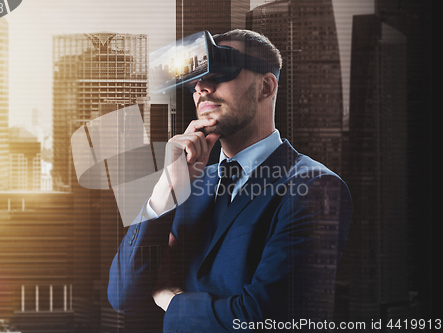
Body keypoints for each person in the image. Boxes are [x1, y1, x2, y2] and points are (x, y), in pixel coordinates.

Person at [108, 29, 352, 332]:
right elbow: (123, 296)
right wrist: (166, 189)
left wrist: (172, 301)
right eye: (197, 80)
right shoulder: (188, 185)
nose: (202, 88)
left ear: (266, 87)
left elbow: (264, 319)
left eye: (221, 72)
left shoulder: (315, 188)